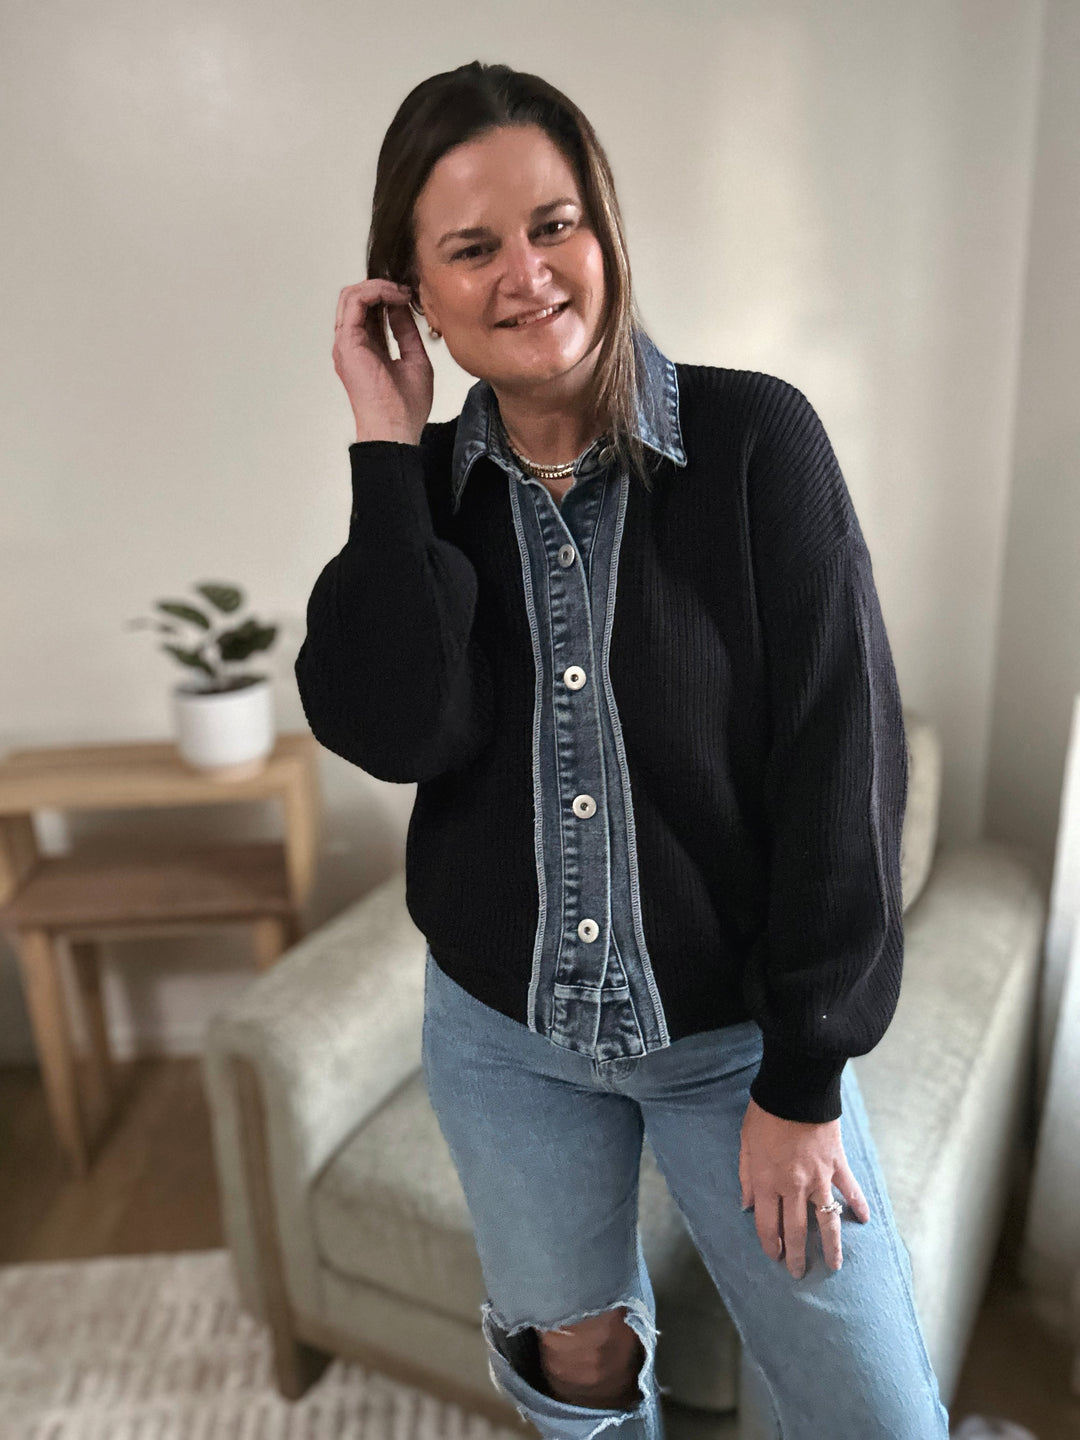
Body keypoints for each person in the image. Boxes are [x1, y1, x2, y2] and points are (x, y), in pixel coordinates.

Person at [295, 59, 952, 1440]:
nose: (527, 274)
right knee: (578, 1374)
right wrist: (383, 445)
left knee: (875, 1415)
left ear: (605, 228)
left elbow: (846, 760)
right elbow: (392, 729)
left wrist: (805, 1073)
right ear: (411, 292)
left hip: (735, 1051)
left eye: (554, 223)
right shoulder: (426, 506)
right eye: (470, 247)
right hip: (505, 1042)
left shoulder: (757, 440)